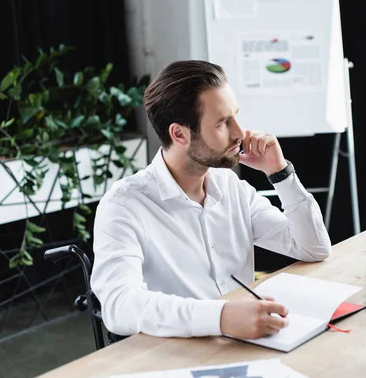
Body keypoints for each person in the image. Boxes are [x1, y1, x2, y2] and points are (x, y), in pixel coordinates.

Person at [91, 60, 331, 340]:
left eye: (236, 116)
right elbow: (120, 308)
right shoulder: (124, 205)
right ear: (179, 134)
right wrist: (221, 317)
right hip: (174, 355)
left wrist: (280, 173)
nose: (240, 133)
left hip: (246, 343)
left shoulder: (231, 188)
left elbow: (313, 248)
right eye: (222, 122)